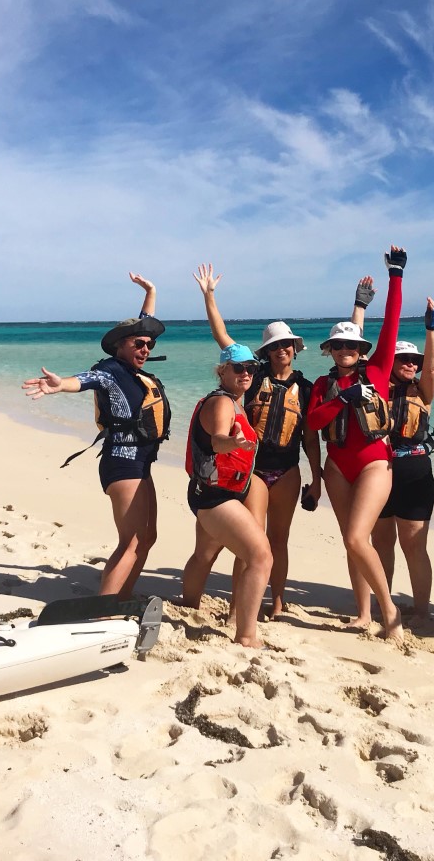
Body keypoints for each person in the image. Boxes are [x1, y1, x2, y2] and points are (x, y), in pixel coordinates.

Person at [22, 273, 170, 599]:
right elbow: (86, 379)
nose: (145, 348)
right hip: (123, 460)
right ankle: (103, 610)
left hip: (141, 461)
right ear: (120, 346)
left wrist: (151, 292)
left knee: (147, 538)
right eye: (138, 344)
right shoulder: (111, 370)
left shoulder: (133, 369)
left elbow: (144, 324)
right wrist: (61, 385)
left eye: (149, 345)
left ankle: (122, 598)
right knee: (131, 540)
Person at [192, 264, 322, 617]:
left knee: (280, 539)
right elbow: (224, 340)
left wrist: (318, 479)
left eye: (287, 345)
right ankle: (237, 607)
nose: (281, 350)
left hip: (289, 471)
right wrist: (210, 297)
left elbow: (311, 438)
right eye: (275, 345)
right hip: (255, 471)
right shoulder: (253, 374)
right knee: (253, 541)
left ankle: (277, 602)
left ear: (295, 348)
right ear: (268, 351)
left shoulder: (307, 389)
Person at [305, 246, 408, 641]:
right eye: (338, 347)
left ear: (360, 351)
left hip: (373, 464)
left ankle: (390, 611)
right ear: (329, 350)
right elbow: (312, 422)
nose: (346, 351)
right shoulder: (321, 386)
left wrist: (395, 275)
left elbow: (392, 324)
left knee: (355, 537)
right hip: (337, 467)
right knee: (353, 543)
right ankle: (363, 614)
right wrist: (339, 400)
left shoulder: (379, 371)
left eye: (352, 346)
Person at [352, 287, 434, 619]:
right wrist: (360, 306)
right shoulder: (376, 386)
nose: (409, 365)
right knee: (382, 541)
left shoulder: (423, 390)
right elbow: (357, 348)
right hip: (381, 471)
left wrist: (431, 330)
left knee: (414, 544)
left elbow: (431, 369)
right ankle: (383, 603)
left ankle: (422, 610)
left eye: (413, 361)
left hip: (415, 470)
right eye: (403, 359)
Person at [180, 345, 274, 647]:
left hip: (209, 490)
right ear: (222, 371)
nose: (246, 373)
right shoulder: (222, 404)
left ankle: (188, 607)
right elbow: (218, 439)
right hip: (215, 497)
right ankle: (246, 636)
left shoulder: (233, 401)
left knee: (204, 554)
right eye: (238, 368)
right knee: (260, 557)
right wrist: (231, 443)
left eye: (250, 368)